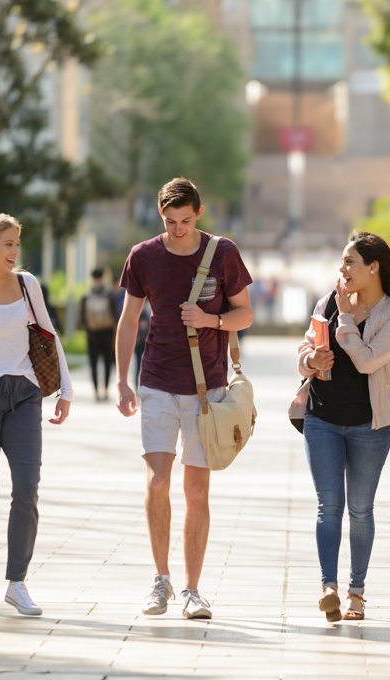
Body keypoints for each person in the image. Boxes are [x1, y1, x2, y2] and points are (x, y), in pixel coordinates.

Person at [115, 177, 252, 620]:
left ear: (200, 212)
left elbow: (245, 313)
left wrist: (209, 321)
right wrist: (122, 381)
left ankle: (193, 589)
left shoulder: (222, 252)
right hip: (156, 381)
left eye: (186, 221)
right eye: (171, 221)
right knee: (157, 482)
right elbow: (129, 319)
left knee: (196, 489)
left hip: (205, 389)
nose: (178, 229)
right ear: (161, 215)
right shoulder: (144, 256)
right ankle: (161, 580)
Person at [296, 231, 390, 622]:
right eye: (342, 262)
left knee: (360, 509)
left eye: (350, 262)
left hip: (370, 426)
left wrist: (346, 319)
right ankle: (328, 587)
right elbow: (303, 352)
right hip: (322, 419)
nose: (342, 269)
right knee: (328, 506)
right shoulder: (326, 302)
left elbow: (367, 361)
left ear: (373, 267)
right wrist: (310, 363)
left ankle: (357, 592)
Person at [0, 213, 73, 616]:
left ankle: (17, 583)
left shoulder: (27, 286)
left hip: (25, 394)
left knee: (27, 487)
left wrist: (66, 388)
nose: (15, 251)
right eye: (8, 244)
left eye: (17, 243)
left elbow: (48, 334)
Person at [80, 267, 118, 402]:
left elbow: (82, 319)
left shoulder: (86, 295)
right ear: (103, 276)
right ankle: (106, 391)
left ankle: (96, 392)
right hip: (107, 334)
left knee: (94, 363)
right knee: (108, 363)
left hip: (92, 335)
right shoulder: (109, 294)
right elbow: (115, 316)